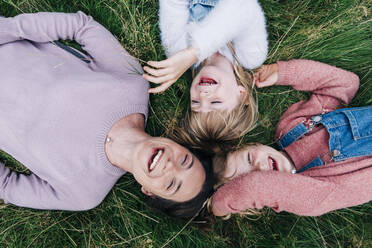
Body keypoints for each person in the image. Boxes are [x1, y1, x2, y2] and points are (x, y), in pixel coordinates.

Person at [0, 11, 214, 219]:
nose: (170, 166)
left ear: (149, 192)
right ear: (179, 144)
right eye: (185, 160)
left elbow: (7, 186)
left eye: (171, 184)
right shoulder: (132, 84)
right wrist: (8, 29)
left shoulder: (83, 194)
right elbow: (81, 26)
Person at [211, 59, 372, 217]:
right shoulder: (311, 195)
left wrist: (282, 72)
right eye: (249, 177)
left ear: (255, 144)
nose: (260, 168)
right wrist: (219, 204)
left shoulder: (293, 128)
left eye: (249, 159)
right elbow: (259, 187)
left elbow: (345, 83)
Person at [142, 0, 268, 148]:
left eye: (195, 103)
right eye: (215, 103)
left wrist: (186, 53)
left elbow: (172, 4)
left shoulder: (178, 51)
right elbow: (245, 8)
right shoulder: (251, 56)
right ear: (242, 95)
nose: (203, 95)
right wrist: (195, 52)